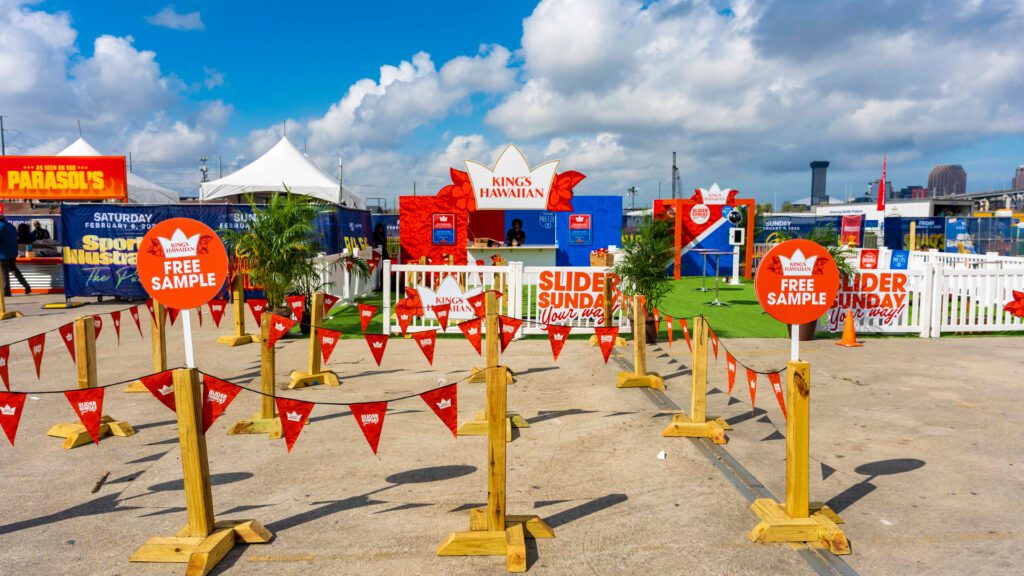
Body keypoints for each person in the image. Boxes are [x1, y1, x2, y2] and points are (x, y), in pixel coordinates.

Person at [0, 216, 31, 296]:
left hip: (3, 253)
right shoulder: (11, 226)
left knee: (4, 271)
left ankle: (6, 291)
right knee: (13, 269)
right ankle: (26, 286)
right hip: (12, 252)